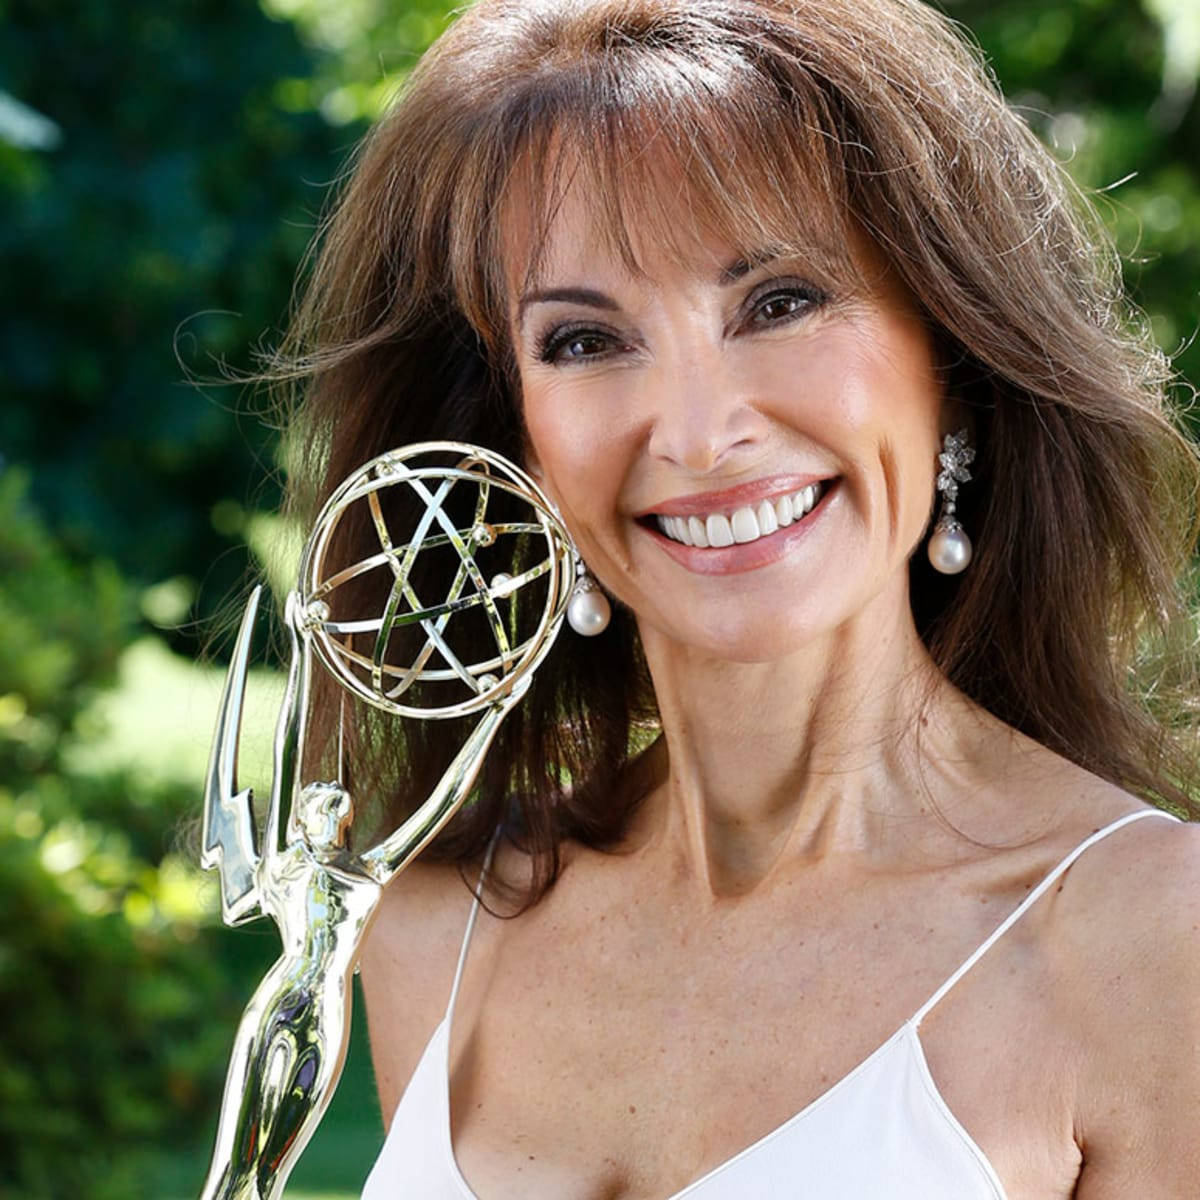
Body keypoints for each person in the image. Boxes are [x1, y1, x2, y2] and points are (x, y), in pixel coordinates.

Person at [271, 0, 1200, 1194]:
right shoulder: (435, 929)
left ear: (955, 365)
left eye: (780, 302)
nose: (702, 436)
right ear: (521, 442)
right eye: (583, 341)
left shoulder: (1151, 945)